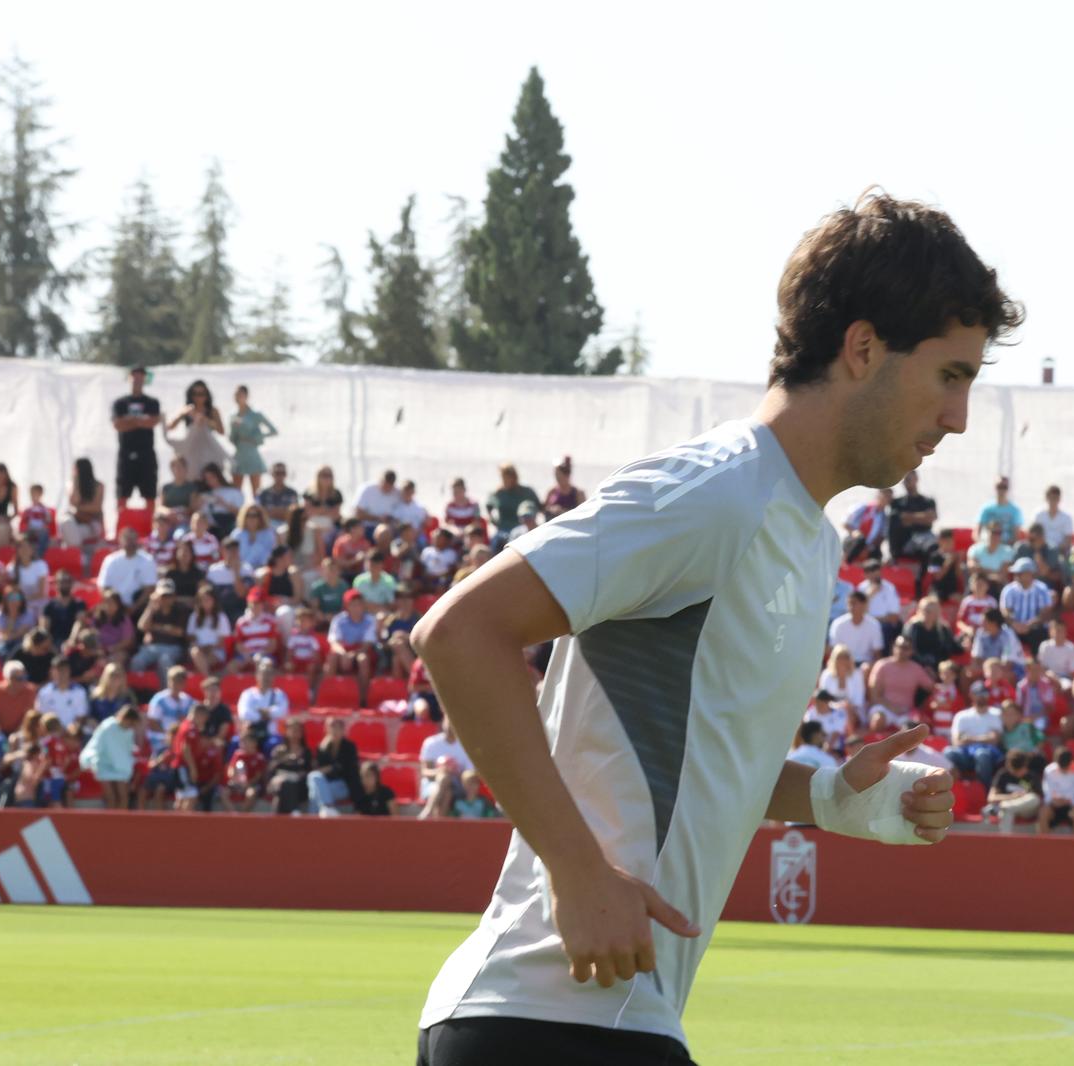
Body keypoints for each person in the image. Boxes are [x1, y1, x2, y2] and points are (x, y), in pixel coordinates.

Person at [407, 192, 1013, 1062]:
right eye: (951, 376)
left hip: (602, 1021)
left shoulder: (808, 537)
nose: (957, 418)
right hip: (551, 1020)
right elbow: (460, 632)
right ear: (864, 348)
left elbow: (699, 748)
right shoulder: (716, 493)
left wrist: (832, 798)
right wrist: (578, 874)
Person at [112, 365, 163, 513]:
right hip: (126, 454)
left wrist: (131, 420)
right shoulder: (120, 403)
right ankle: (121, 527)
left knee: (149, 493)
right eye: (134, 376)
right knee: (122, 494)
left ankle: (149, 528)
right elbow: (118, 424)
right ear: (129, 377)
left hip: (146, 454)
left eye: (141, 376)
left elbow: (152, 421)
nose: (137, 380)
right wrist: (140, 421)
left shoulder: (152, 402)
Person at [165, 379, 229, 479]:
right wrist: (182, 414)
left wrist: (206, 421)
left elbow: (221, 431)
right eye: (195, 394)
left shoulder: (213, 410)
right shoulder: (187, 409)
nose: (198, 397)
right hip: (191, 449)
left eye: (201, 394)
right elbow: (170, 427)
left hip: (208, 449)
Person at [80, 704, 141, 809]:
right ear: (125, 718)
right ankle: (110, 823)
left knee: (123, 796)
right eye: (130, 722)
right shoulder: (107, 726)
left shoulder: (129, 731)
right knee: (111, 797)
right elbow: (96, 745)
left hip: (120, 767)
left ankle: (121, 822)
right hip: (103, 765)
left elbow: (128, 748)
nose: (130, 726)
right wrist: (90, 760)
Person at [226, 384, 279, 494]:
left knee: (256, 492)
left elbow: (273, 431)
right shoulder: (233, 417)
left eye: (240, 394)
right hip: (239, 454)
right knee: (236, 491)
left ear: (246, 396)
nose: (238, 397)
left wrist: (257, 437)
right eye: (236, 395)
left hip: (252, 454)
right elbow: (232, 438)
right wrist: (234, 431)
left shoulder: (256, 415)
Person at [308, 714, 363, 816]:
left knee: (315, 791)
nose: (335, 730)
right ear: (327, 729)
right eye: (332, 727)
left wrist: (331, 768)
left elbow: (349, 771)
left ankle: (314, 819)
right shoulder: (322, 747)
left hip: (343, 786)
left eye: (338, 727)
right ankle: (327, 808)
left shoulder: (349, 747)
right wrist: (324, 750)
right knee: (314, 779)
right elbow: (318, 770)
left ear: (343, 730)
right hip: (326, 785)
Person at [1000, 557, 1055, 653]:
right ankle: (1006, 658)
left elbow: (1045, 613)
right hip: (1014, 627)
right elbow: (1005, 611)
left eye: (1020, 573)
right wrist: (1015, 624)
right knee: (1005, 633)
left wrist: (1028, 625)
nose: (1016, 576)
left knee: (1040, 632)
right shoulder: (1009, 590)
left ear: (1030, 574)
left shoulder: (1041, 589)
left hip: (1034, 627)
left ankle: (1037, 660)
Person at [887, 469, 940, 568]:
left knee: (934, 547)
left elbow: (931, 519)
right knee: (929, 545)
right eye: (904, 480)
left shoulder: (928, 501)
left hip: (926, 538)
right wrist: (923, 516)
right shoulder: (897, 502)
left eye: (908, 479)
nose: (905, 483)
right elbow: (900, 519)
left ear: (916, 479)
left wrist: (909, 517)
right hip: (907, 541)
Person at [59, 458, 106, 559]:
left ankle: (77, 555)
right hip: (76, 524)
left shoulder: (98, 486)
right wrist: (76, 483)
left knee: (71, 535)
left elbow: (96, 508)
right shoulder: (72, 485)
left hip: (92, 523)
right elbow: (73, 502)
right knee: (66, 522)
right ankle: (79, 555)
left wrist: (78, 509)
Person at [985, 749, 1039, 833]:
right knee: (1006, 811)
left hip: (1025, 809)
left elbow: (1037, 799)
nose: (1024, 770)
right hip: (1007, 808)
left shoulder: (1031, 776)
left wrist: (1021, 797)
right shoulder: (1002, 775)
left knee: (1034, 798)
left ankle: (1006, 806)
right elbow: (991, 798)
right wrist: (1012, 796)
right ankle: (1005, 843)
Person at [1037, 747, 1074, 835]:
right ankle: (1044, 846)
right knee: (1043, 812)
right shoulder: (1049, 771)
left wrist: (1071, 801)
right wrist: (1055, 801)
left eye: (1066, 767)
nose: (1064, 770)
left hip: (1073, 807)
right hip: (1055, 807)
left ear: (1072, 763)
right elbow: (1047, 795)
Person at [841, 487, 890, 564]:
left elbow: (882, 536)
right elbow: (845, 523)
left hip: (868, 545)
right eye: (885, 496)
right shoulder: (863, 508)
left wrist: (869, 547)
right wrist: (853, 532)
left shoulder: (884, 518)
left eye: (889, 497)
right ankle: (846, 563)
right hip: (854, 540)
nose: (886, 499)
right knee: (860, 539)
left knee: (877, 553)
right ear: (879, 495)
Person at [975, 476, 1021, 543]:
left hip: (1006, 546)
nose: (1002, 490)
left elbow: (1016, 535)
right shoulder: (986, 508)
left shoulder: (1015, 510)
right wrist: (980, 545)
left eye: (1004, 487)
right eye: (999, 486)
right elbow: (977, 532)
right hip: (987, 545)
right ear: (995, 487)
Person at [16, 482, 57, 557]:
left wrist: (46, 520)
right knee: (24, 537)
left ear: (40, 494)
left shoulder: (45, 509)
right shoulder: (28, 510)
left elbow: (49, 521)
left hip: (41, 530)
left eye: (36, 493)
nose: (34, 496)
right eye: (32, 494)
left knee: (43, 534)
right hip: (30, 530)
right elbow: (23, 524)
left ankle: (38, 555)